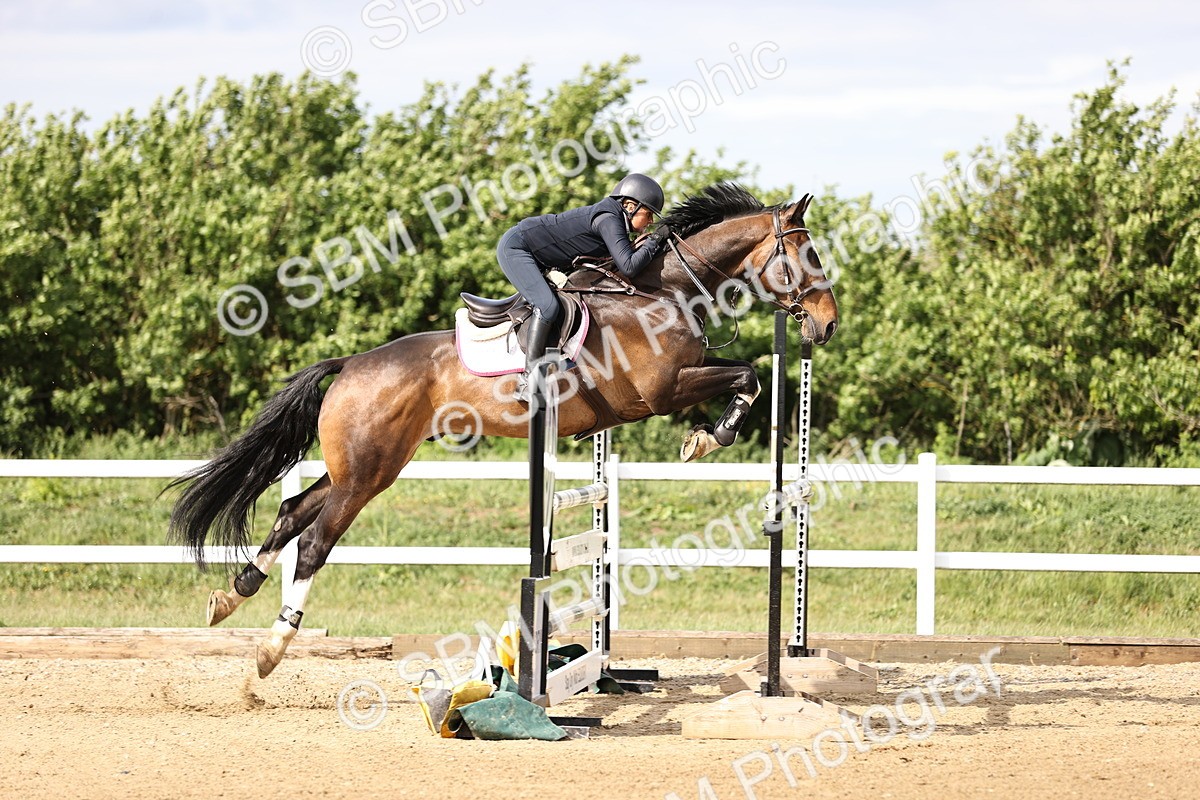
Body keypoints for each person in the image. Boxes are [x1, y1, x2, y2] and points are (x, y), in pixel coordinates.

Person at [496, 173, 673, 398]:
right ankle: (528, 381)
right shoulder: (608, 218)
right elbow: (629, 266)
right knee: (548, 306)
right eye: (648, 214)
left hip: (538, 256)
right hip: (517, 248)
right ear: (630, 206)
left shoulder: (614, 218)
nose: (651, 222)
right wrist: (655, 240)